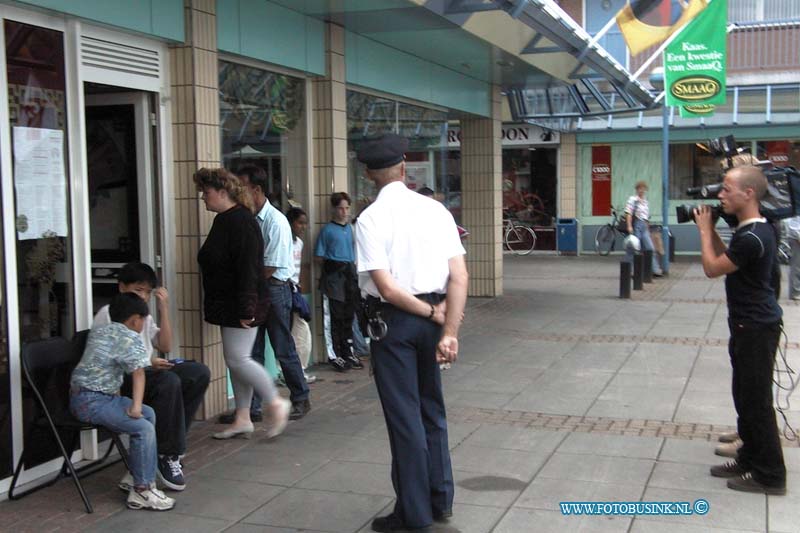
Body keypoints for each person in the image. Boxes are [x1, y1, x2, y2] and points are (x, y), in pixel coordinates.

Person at [355, 133, 469, 531]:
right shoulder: (436, 211)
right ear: (404, 169)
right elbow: (459, 275)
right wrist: (447, 326)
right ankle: (441, 500)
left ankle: (414, 514)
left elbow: (386, 288)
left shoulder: (369, 219)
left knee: (405, 418)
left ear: (369, 174)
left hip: (396, 324)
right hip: (434, 317)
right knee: (432, 410)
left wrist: (430, 313)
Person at [696, 164, 786, 495]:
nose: (720, 194)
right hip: (749, 325)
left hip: (756, 328)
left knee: (757, 402)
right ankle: (749, 458)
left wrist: (704, 230)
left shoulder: (753, 236)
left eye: (726, 189)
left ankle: (771, 475)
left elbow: (712, 268)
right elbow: (728, 256)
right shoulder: (753, 230)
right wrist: (715, 231)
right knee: (745, 398)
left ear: (748, 194)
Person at [93, 262, 210, 492]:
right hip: (121, 380)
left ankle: (169, 449)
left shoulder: (143, 314)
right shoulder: (109, 314)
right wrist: (149, 362)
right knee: (169, 382)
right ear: (121, 287)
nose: (144, 296)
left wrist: (164, 308)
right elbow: (111, 359)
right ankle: (166, 454)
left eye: (147, 292)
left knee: (198, 373)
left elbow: (165, 344)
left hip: (145, 372)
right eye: (138, 290)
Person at [194, 167, 291, 439]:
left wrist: (247, 306)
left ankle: (274, 400)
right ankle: (243, 416)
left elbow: (249, 268)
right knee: (235, 359)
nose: (203, 197)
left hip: (242, 302)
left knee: (238, 358)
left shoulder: (240, 221)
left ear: (223, 192)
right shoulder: (228, 219)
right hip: (232, 302)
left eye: (207, 191)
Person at [70, 293, 175, 511]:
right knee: (143, 426)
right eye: (144, 321)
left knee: (150, 414)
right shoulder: (129, 337)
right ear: (136, 319)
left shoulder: (100, 331)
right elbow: (138, 373)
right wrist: (135, 406)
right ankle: (142, 490)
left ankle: (135, 476)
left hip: (85, 397)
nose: (143, 325)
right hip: (92, 401)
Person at [235, 165, 311, 421]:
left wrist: (247, 285)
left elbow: (270, 266)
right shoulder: (248, 218)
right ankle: (252, 408)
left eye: (241, 186)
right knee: (252, 351)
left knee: (282, 347)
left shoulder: (276, 221)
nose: (237, 192)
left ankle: (300, 397)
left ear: (256, 189)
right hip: (257, 289)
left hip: (275, 290)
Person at [315, 192, 364, 372]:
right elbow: (318, 257)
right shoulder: (327, 230)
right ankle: (334, 354)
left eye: (346, 208)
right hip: (334, 280)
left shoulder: (351, 229)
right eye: (340, 208)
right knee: (334, 318)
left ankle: (348, 350)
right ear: (334, 209)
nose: (344, 212)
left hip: (349, 278)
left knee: (348, 316)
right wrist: (333, 265)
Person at [287, 206, 316, 384]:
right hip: (285, 289)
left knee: (298, 330)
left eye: (305, 223)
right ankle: (296, 371)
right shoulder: (285, 241)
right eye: (300, 223)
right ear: (290, 223)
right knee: (299, 331)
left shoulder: (299, 242)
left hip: (295, 290)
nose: (303, 227)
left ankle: (298, 370)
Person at [625, 181, 663, 277]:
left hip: (644, 226)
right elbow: (628, 213)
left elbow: (646, 217)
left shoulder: (645, 202)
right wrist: (629, 226)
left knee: (650, 248)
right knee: (634, 248)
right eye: (640, 188)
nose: (642, 191)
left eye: (643, 189)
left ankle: (655, 269)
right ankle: (631, 270)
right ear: (637, 189)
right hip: (636, 225)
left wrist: (647, 228)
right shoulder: (633, 200)